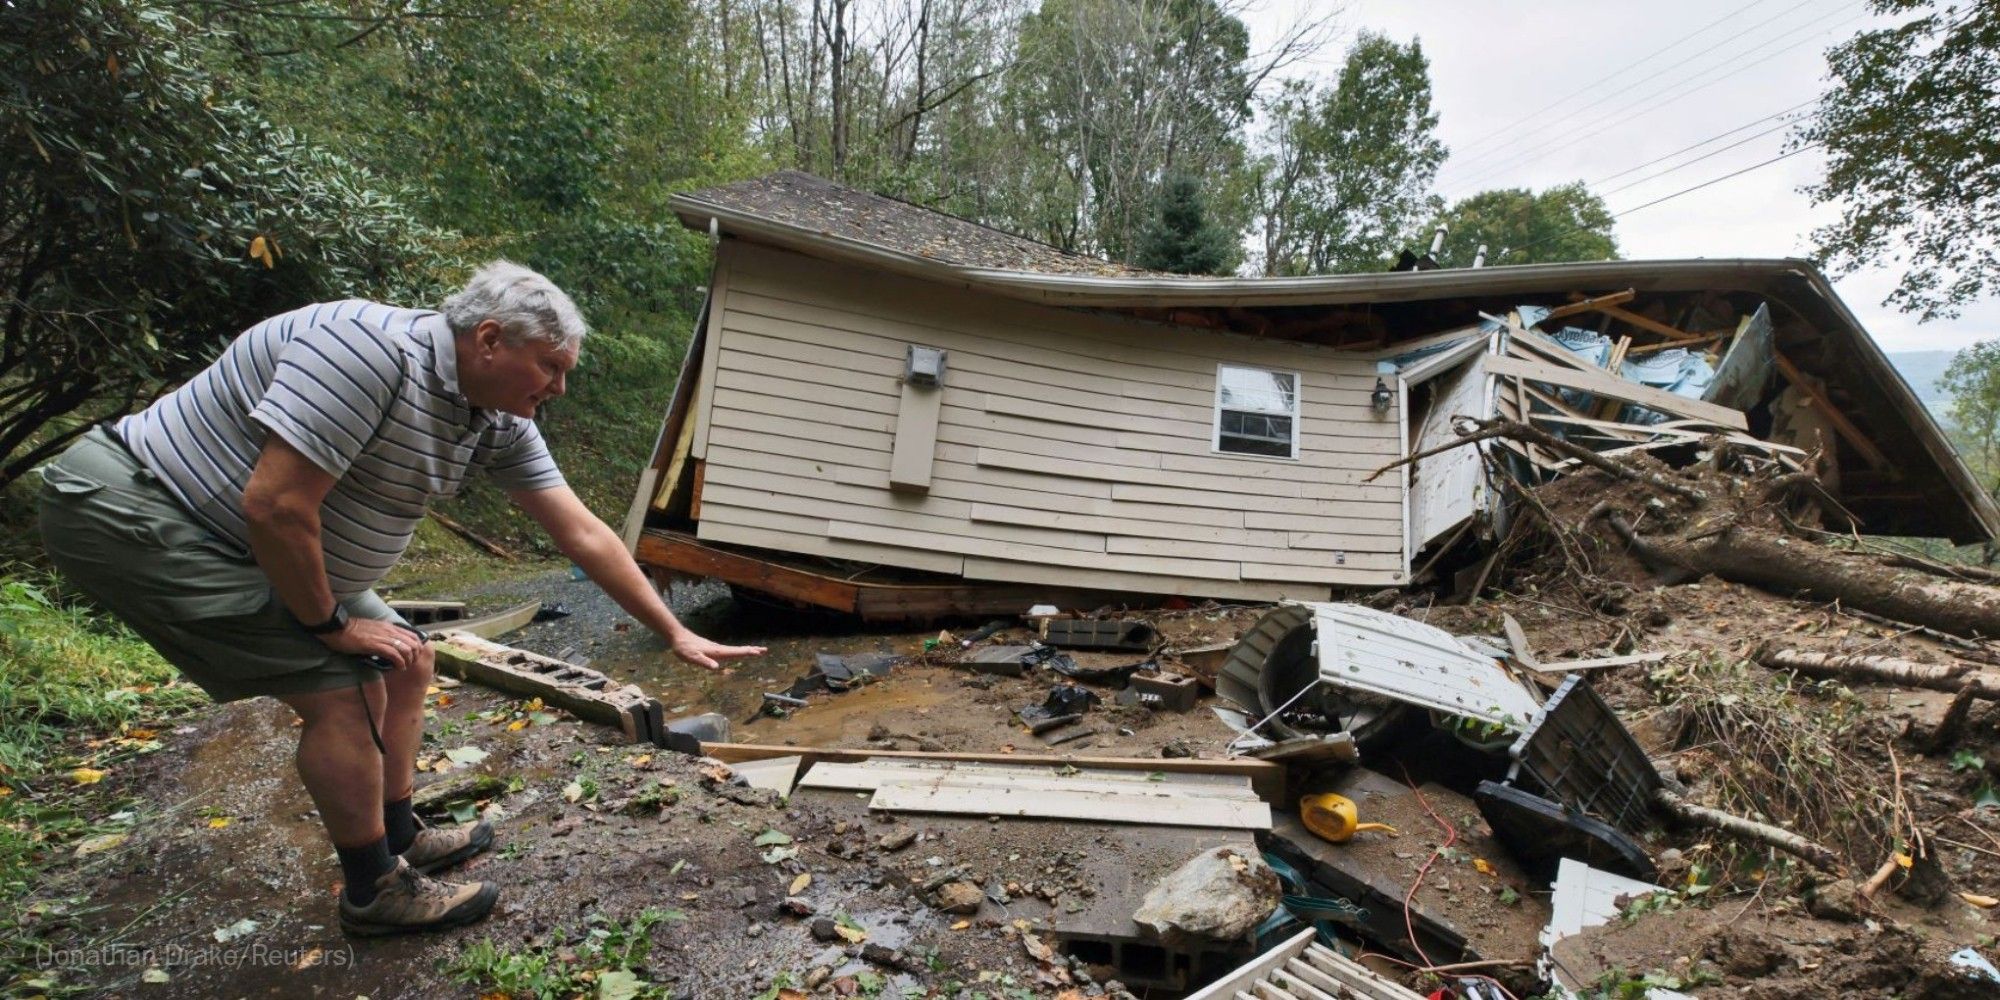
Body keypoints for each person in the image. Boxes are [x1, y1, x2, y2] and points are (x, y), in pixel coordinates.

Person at [36, 262, 765, 936]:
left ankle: (398, 830)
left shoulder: (496, 420)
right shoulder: (366, 353)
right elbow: (277, 506)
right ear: (487, 339)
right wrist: (328, 626)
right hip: (143, 511)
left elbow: (582, 532)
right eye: (551, 367)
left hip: (250, 538)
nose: (559, 387)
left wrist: (673, 631)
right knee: (345, 687)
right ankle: (373, 889)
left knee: (408, 661)